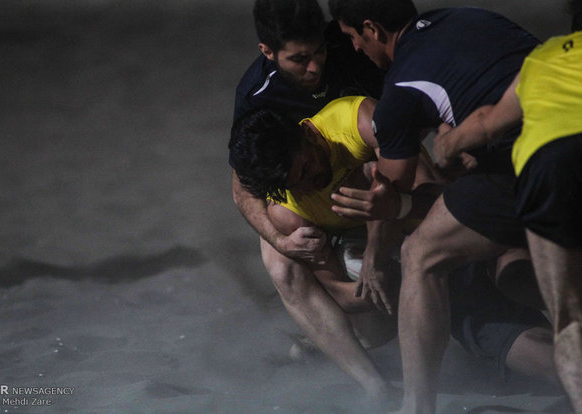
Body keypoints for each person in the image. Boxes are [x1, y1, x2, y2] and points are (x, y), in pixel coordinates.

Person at [229, 96, 558, 408]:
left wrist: (384, 235)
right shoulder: (288, 208)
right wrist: (394, 286)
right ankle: (371, 374)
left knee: (519, 277)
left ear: (307, 134)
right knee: (504, 336)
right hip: (408, 276)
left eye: (304, 169)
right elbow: (338, 293)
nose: (307, 185)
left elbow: (438, 196)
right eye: (293, 184)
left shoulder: (358, 125)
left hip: (450, 231)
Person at [327, 1, 544, 412]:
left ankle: (416, 405)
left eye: (353, 37)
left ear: (371, 29)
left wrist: (374, 253)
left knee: (421, 254)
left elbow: (388, 190)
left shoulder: (400, 89)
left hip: (532, 162)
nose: (355, 48)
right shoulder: (470, 16)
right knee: (519, 265)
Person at [230, 0, 386, 400]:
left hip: (376, 177)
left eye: (318, 52)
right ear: (267, 51)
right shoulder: (257, 95)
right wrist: (280, 240)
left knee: (378, 316)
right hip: (306, 196)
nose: (315, 67)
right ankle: (371, 384)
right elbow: (243, 184)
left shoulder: (352, 47)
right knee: (279, 262)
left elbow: (405, 132)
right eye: (299, 59)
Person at [431, 14, 582, 412]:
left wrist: (444, 146)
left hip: (546, 171)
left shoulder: (545, 56)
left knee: (568, 316)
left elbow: (487, 125)